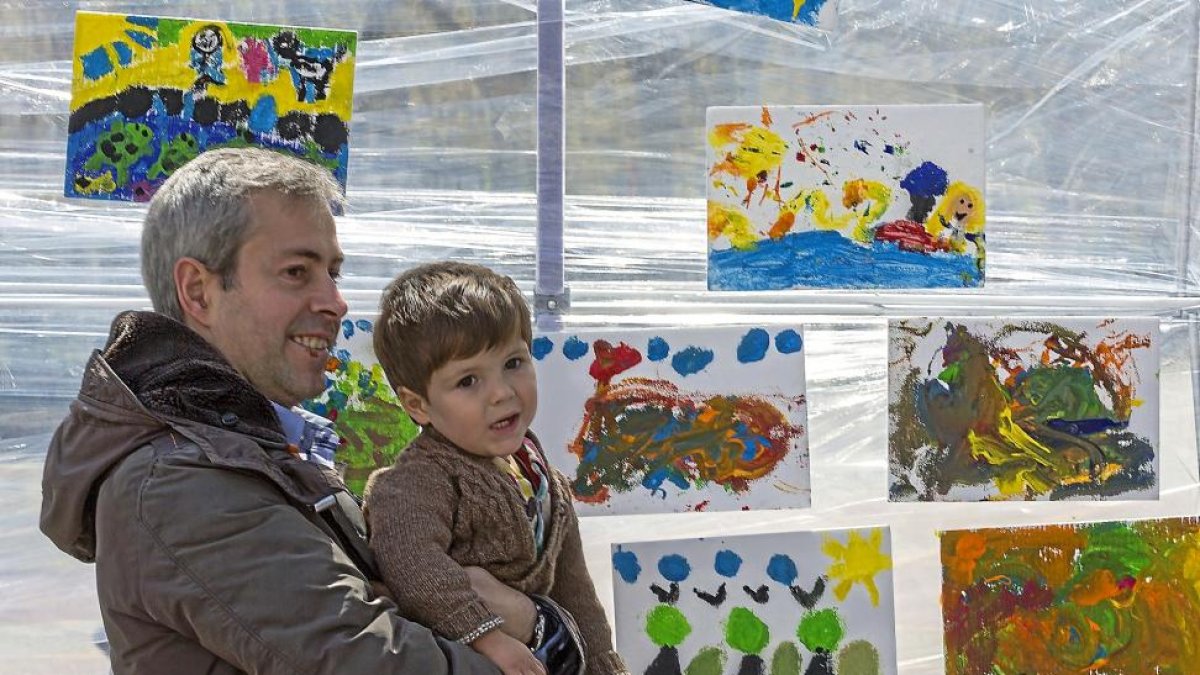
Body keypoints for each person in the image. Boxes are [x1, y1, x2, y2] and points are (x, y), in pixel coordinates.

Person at [39, 147, 555, 674]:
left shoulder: (251, 445)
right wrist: (547, 637)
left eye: (332, 272)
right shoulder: (183, 483)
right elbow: (375, 660)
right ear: (198, 291)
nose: (335, 302)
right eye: (295, 272)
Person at [365, 262, 628, 675]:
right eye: (468, 381)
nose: (503, 393)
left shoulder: (542, 477)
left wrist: (602, 665)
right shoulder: (418, 480)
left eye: (513, 363)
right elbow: (411, 564)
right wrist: (485, 636)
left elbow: (576, 591)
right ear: (417, 405)